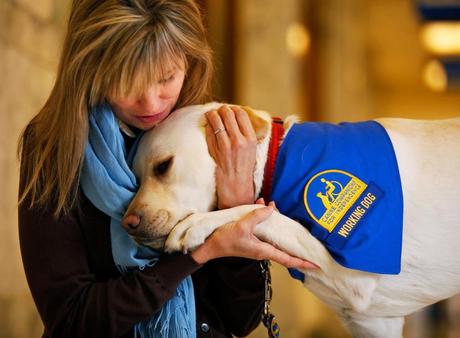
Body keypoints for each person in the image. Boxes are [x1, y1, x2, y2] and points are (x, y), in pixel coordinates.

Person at [17, 1, 313, 337]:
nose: (152, 103)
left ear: (190, 62)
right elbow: (71, 321)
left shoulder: (199, 136)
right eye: (126, 82)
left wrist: (236, 206)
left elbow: (238, 319)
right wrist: (198, 251)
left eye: (166, 78)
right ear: (90, 68)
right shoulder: (55, 145)